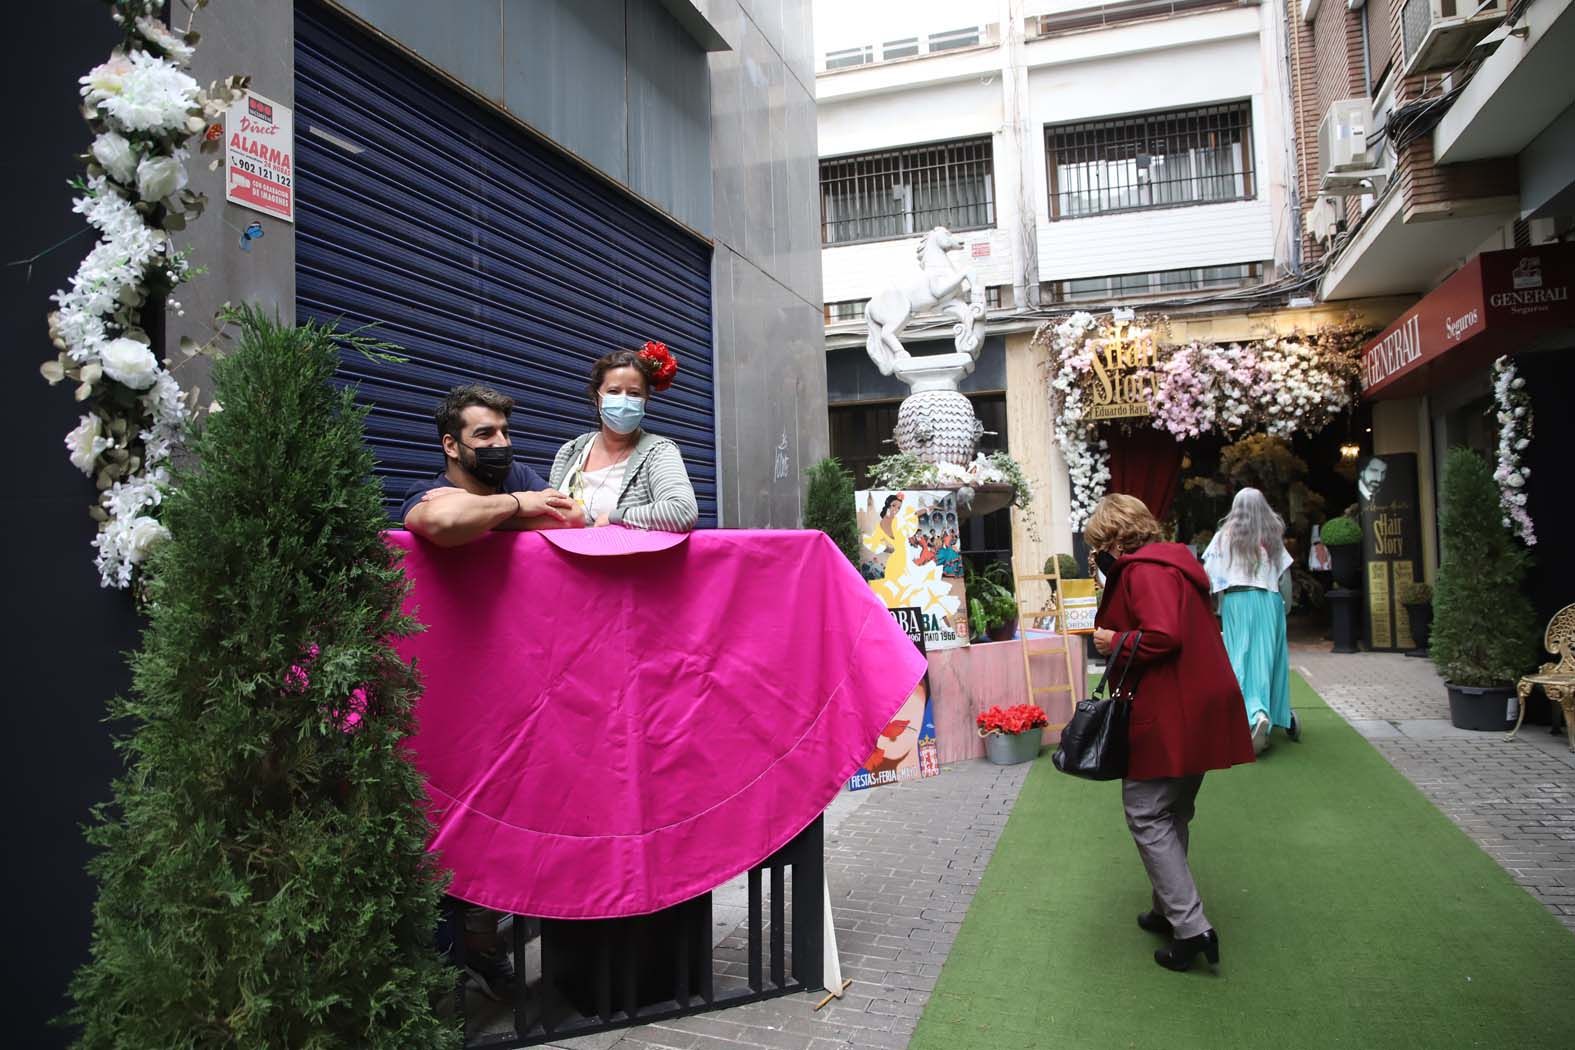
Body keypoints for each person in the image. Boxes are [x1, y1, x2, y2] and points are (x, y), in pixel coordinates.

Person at [1085, 494, 1256, 973]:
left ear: (1116, 539)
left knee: (1145, 811)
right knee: (1173, 808)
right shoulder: (1174, 564)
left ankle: (1191, 926)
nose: (1100, 556)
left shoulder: (1143, 571)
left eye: (1101, 546)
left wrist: (1112, 641)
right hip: (1197, 700)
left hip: (1169, 706)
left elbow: (1162, 635)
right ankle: (1168, 908)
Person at [402, 384, 582, 545]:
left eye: (504, 432)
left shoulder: (517, 475)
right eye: (485, 434)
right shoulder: (428, 493)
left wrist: (475, 514)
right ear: (451, 446)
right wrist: (518, 503)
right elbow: (443, 520)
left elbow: (573, 516)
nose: (502, 443)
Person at [549, 342, 699, 532]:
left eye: (634, 393)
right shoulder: (570, 451)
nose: (624, 400)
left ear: (645, 401)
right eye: (613, 391)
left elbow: (682, 511)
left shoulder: (658, 452)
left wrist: (617, 517)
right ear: (597, 398)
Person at [1203, 488, 1299, 754]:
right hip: (1269, 603)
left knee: (1239, 658)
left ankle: (1253, 715)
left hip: (1238, 601)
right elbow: (1285, 580)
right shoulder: (1273, 540)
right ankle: (1261, 712)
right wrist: (1286, 609)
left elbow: (1208, 577)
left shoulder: (1223, 538)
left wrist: (1212, 606)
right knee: (1267, 660)